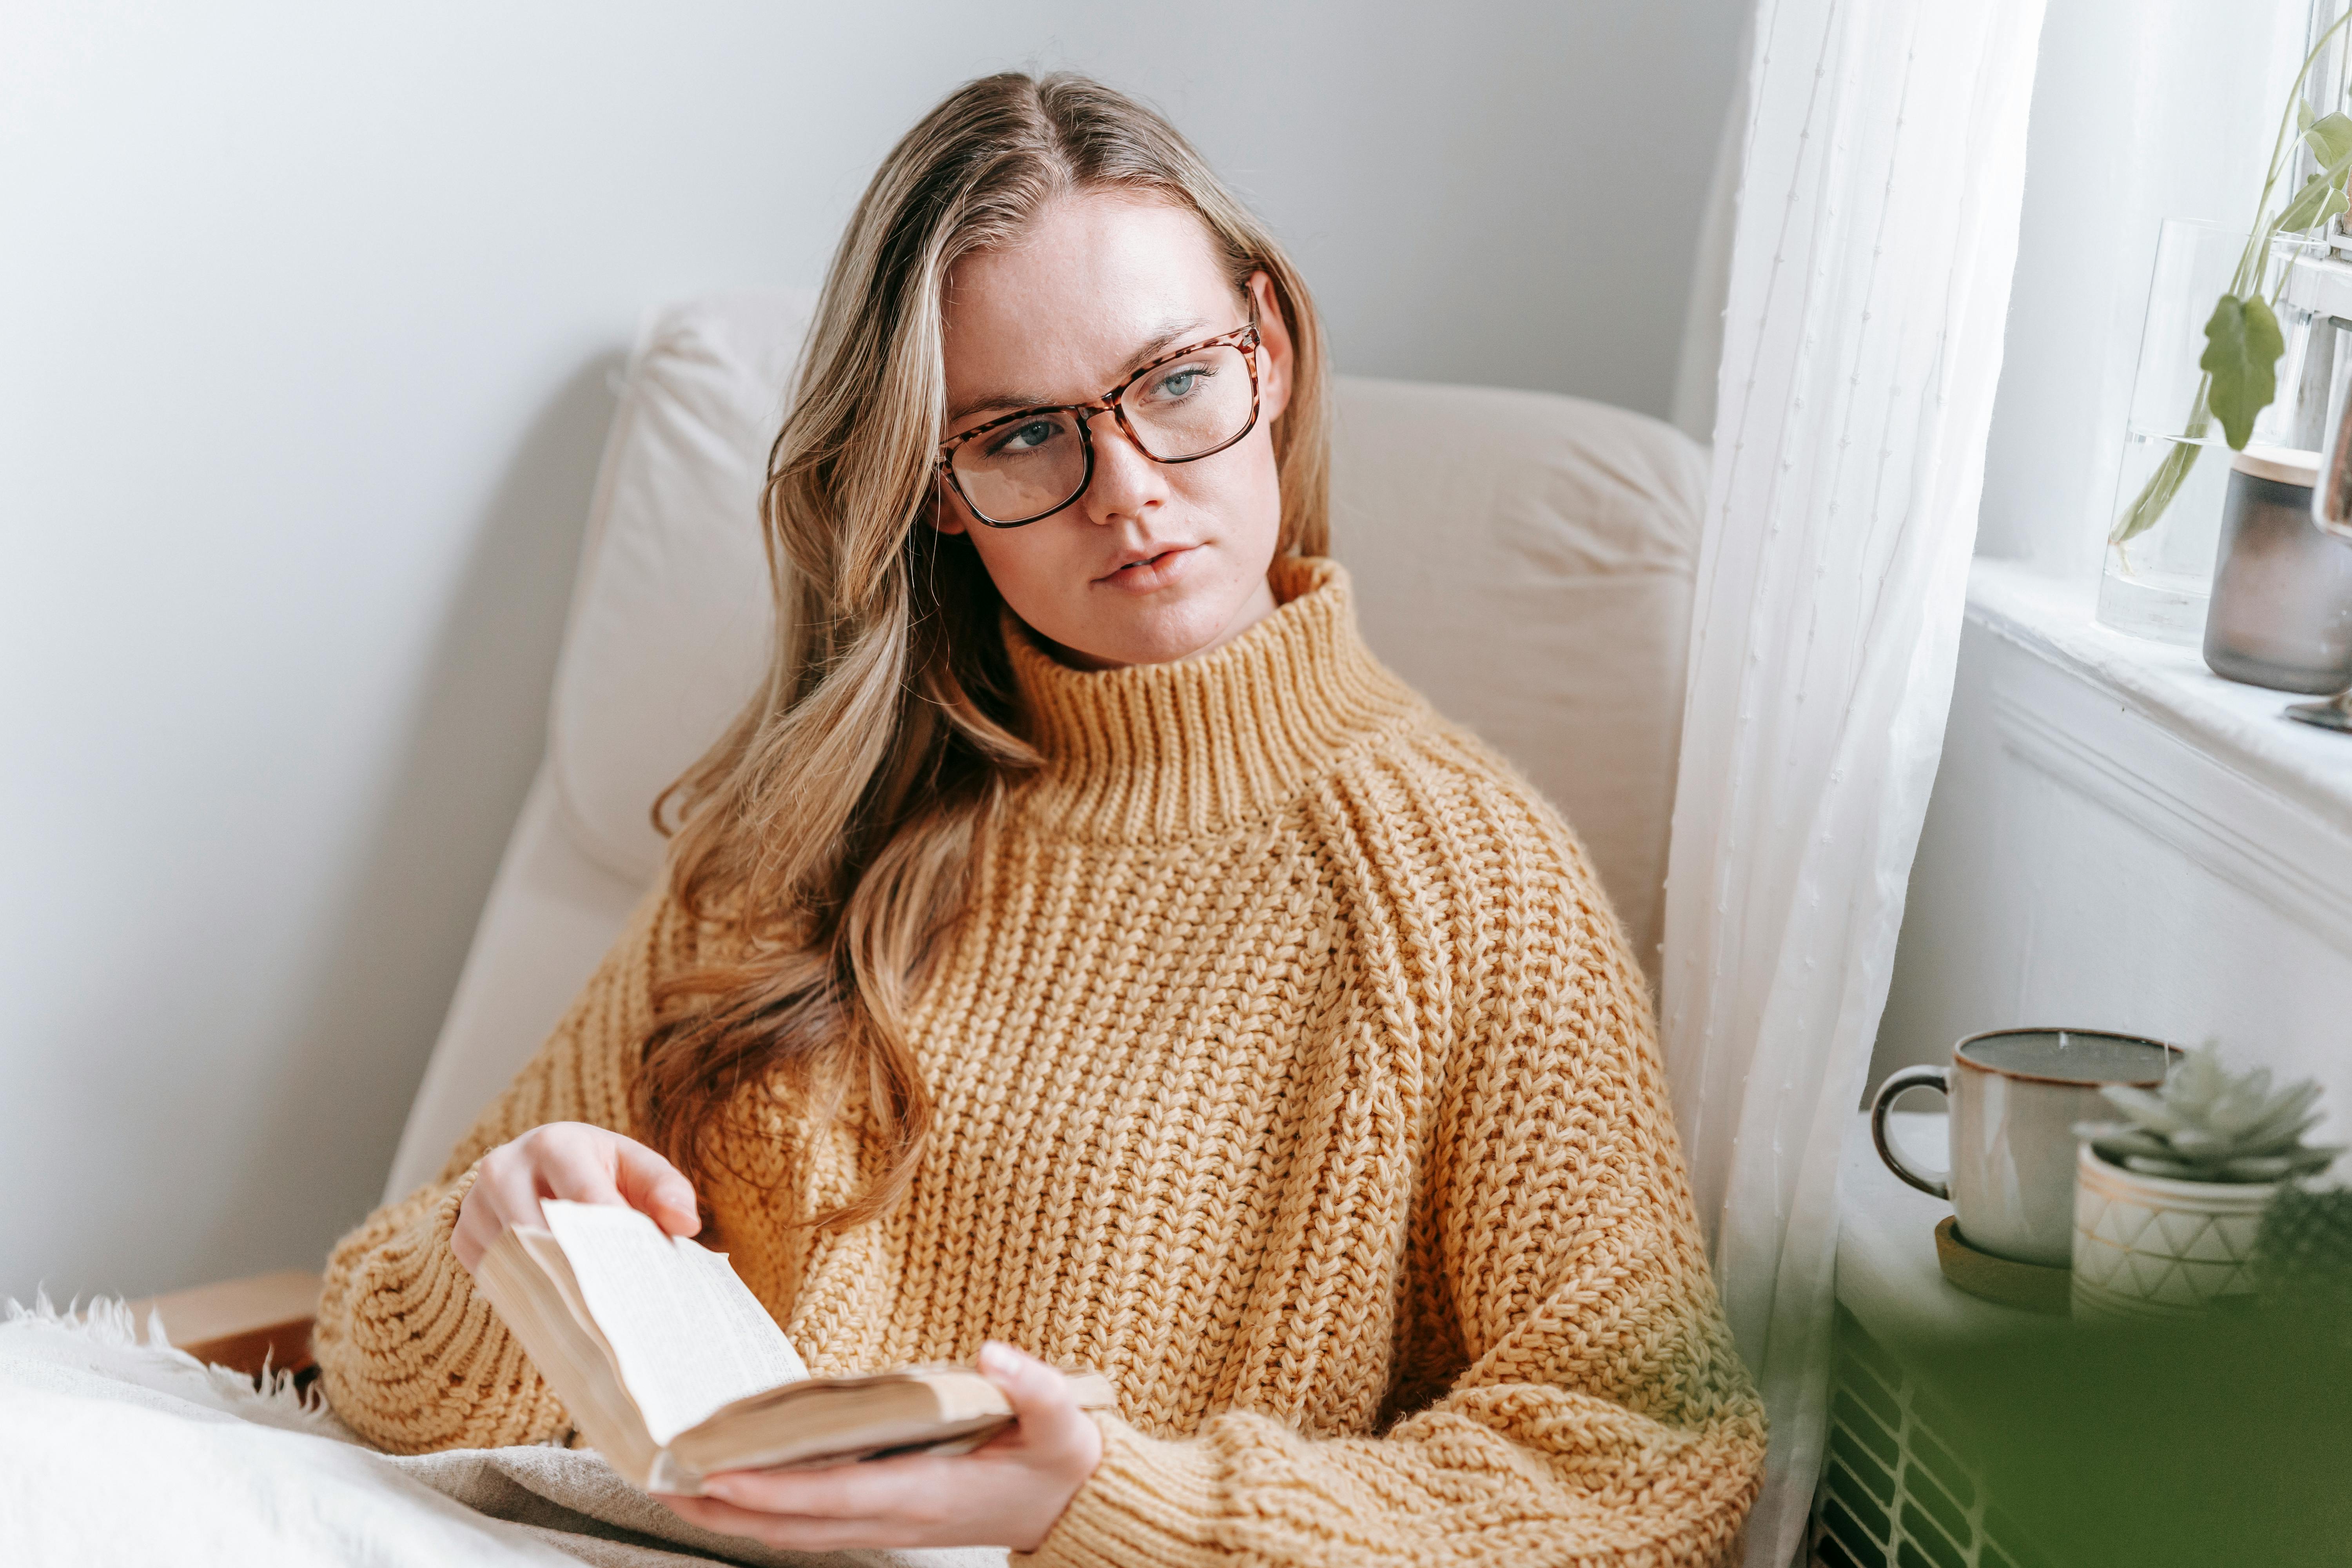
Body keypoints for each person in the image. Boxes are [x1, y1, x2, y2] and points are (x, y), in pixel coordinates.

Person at [314, 70, 1765, 1565]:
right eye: (1018, 437)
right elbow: (375, 1359)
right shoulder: (810, 825)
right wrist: (499, 1246)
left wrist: (1103, 1512)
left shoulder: (1465, 882)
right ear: (935, 488)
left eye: (1180, 381)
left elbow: (1644, 1481)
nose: (1127, 491)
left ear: (1267, 352)